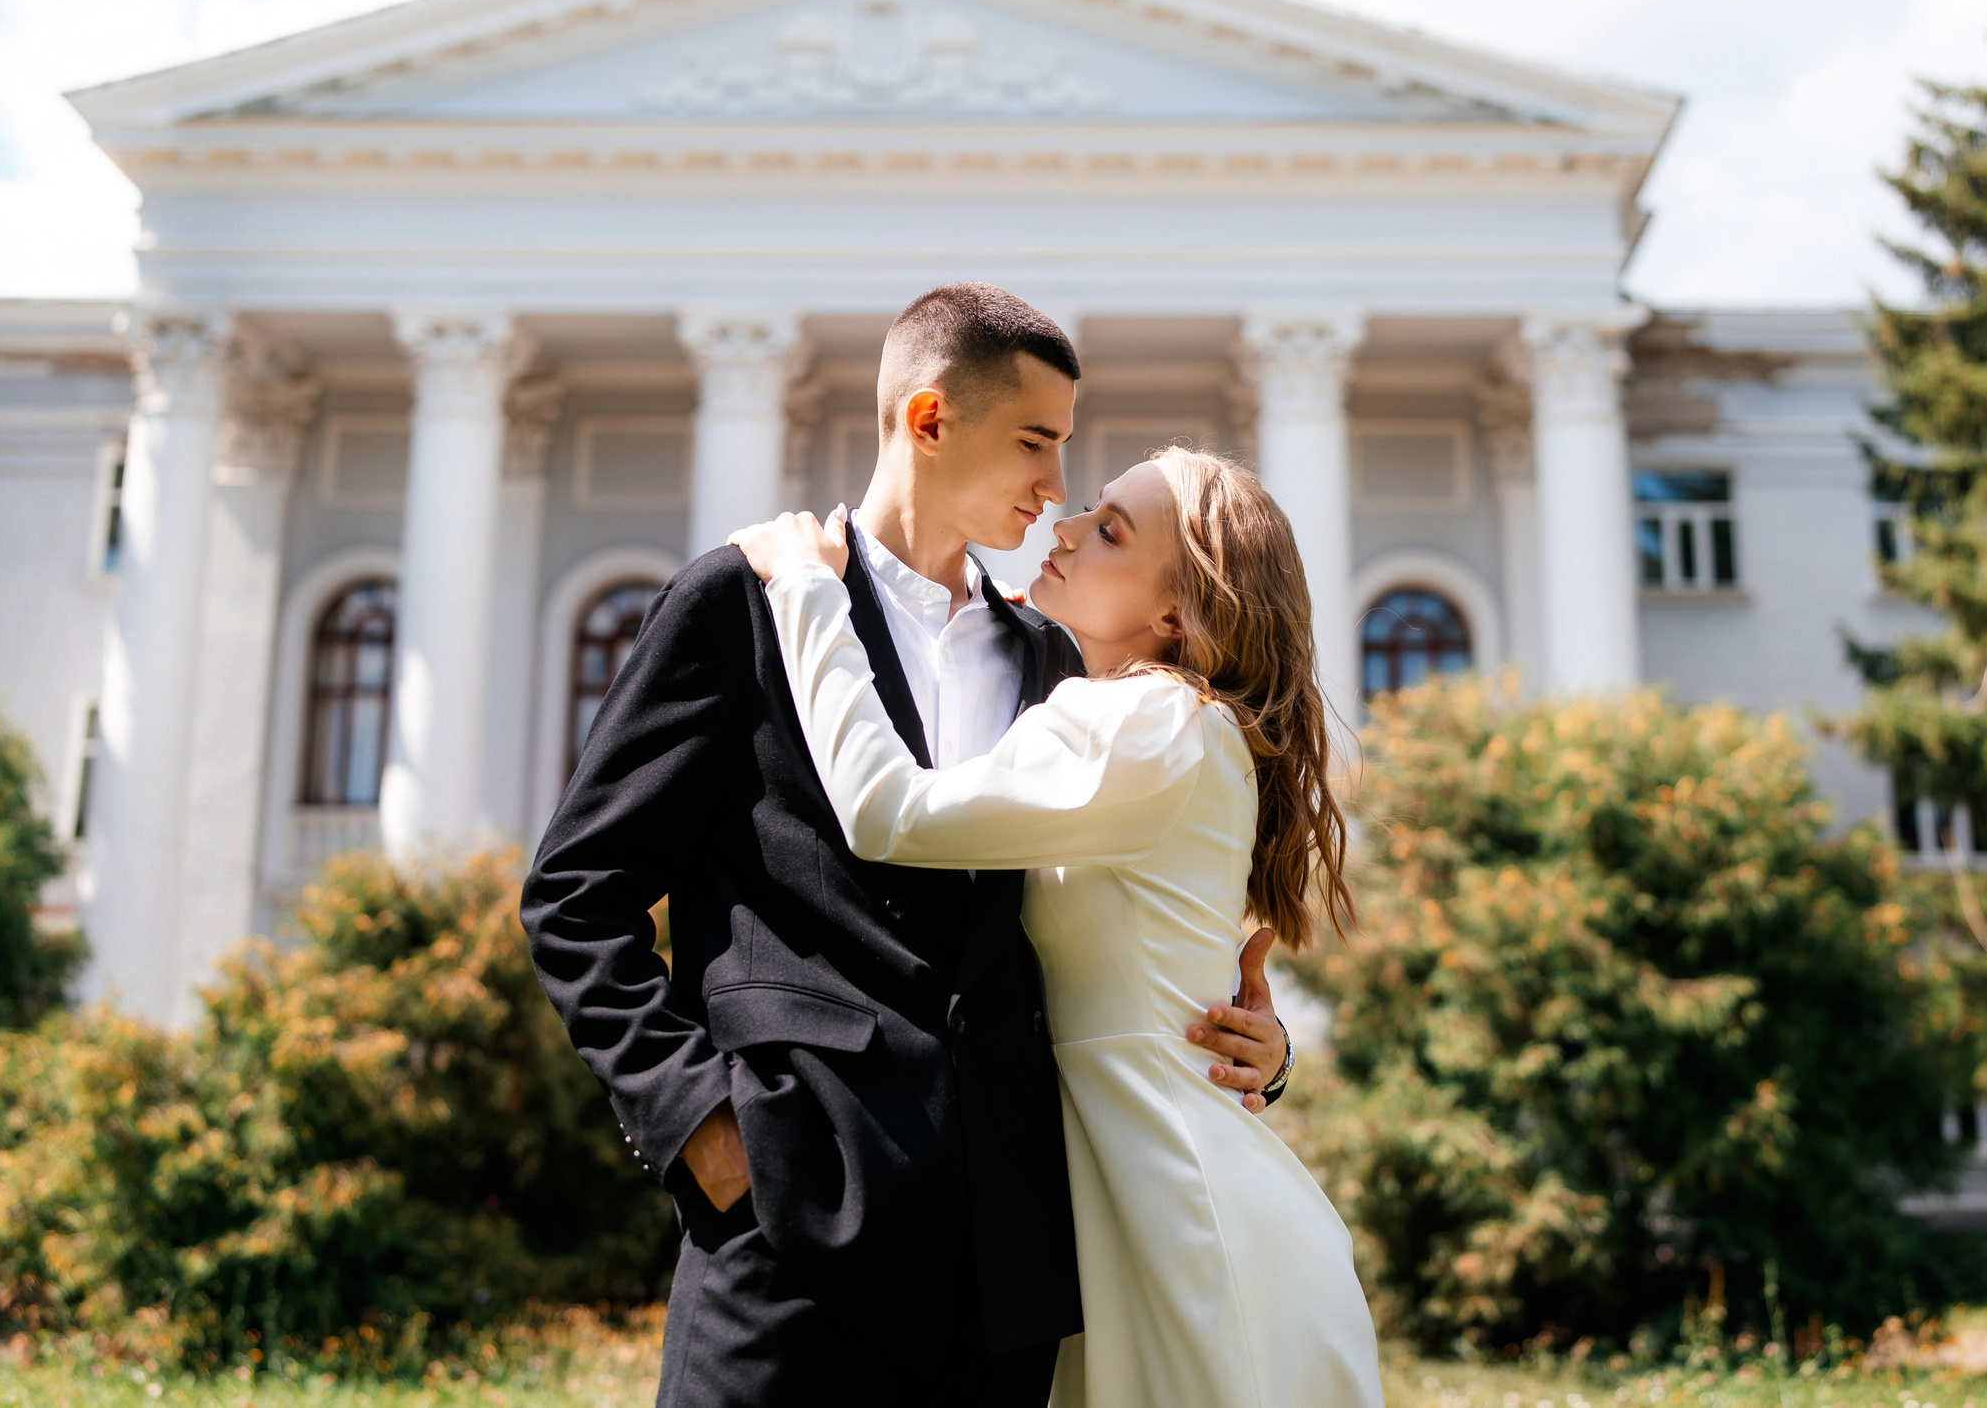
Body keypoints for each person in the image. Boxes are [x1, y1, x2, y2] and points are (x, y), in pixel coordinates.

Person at [521, 284, 1293, 1408]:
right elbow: (576, 892)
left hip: (1012, 1259)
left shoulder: (1059, 663)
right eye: (1036, 442)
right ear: (930, 420)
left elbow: (1111, 926)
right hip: (789, 1219)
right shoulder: (743, 603)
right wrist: (702, 1125)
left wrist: (1255, 1046)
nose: (1055, 486)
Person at [728, 445, 1383, 1408]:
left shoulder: (1150, 723)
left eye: (1110, 529)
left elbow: (887, 813)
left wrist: (807, 593)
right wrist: (1266, 1052)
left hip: (1181, 1219)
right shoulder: (1151, 724)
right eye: (1088, 505)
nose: (1064, 528)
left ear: (1175, 614)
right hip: (1114, 1212)